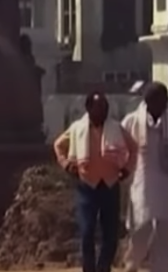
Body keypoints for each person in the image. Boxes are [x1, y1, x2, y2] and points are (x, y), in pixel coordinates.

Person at [54, 91, 138, 272]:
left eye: (104, 108)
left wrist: (127, 168)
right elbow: (58, 145)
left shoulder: (116, 128)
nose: (101, 111)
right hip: (86, 186)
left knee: (110, 234)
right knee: (87, 231)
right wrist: (67, 164)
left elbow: (134, 147)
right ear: (88, 108)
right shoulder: (77, 128)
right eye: (98, 107)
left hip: (110, 185)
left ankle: (103, 267)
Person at [120, 82, 168, 272]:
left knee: (166, 230)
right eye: (158, 100)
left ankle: (162, 268)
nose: (163, 104)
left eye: (165, 100)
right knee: (141, 229)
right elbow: (121, 152)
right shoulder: (131, 122)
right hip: (142, 183)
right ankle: (131, 266)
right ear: (148, 101)